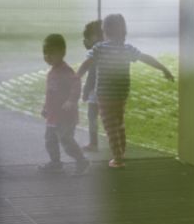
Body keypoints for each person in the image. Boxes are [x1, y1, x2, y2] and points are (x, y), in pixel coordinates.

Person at [76, 14, 174, 169]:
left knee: (110, 126)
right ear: (124, 32)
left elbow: (86, 64)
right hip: (121, 94)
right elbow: (145, 58)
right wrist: (163, 68)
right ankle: (121, 151)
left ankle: (118, 158)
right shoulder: (127, 49)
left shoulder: (100, 48)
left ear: (105, 31)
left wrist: (76, 78)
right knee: (119, 123)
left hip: (105, 94)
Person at [38, 34, 91, 175]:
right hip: (53, 115)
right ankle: (55, 162)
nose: (47, 56)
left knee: (66, 140)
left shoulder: (66, 71)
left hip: (66, 116)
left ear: (61, 53)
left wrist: (71, 100)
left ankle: (81, 160)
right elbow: (49, 93)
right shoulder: (51, 73)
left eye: (51, 53)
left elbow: (76, 83)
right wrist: (45, 108)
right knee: (50, 140)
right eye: (45, 53)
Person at [80, 19, 104, 152]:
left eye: (87, 37)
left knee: (92, 116)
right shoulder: (109, 48)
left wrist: (85, 90)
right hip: (111, 91)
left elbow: (92, 73)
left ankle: (93, 143)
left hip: (96, 92)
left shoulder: (95, 51)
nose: (85, 40)